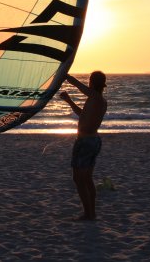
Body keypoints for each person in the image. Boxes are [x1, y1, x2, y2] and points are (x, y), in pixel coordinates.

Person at [59, 71, 108, 221]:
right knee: (87, 179)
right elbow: (83, 114)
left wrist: (65, 75)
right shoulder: (98, 100)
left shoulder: (95, 97)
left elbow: (78, 85)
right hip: (93, 142)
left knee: (78, 179)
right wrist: (69, 101)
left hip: (86, 142)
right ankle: (91, 213)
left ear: (91, 83)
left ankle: (88, 214)